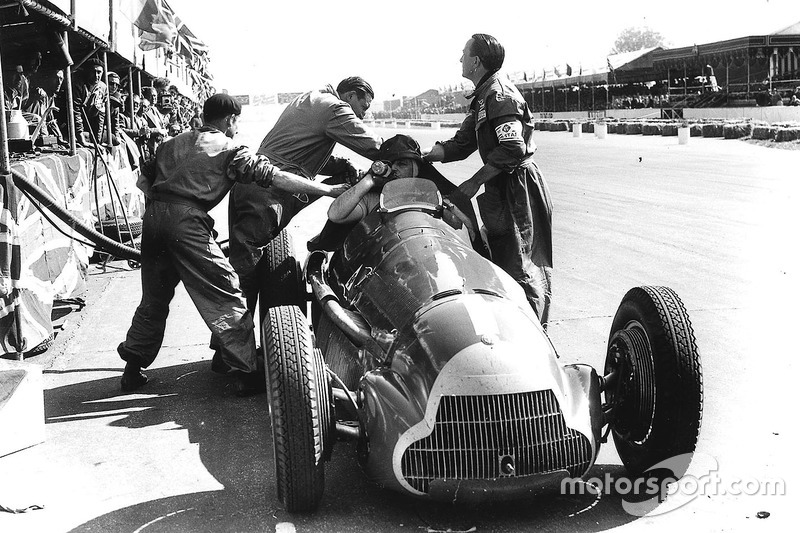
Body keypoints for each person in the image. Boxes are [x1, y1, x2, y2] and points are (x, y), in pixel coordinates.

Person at [116, 93, 349, 396]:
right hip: (187, 222)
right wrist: (327, 190)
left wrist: (165, 211)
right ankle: (244, 372)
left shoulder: (172, 142)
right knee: (227, 293)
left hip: (154, 218)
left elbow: (143, 181)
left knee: (153, 299)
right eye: (237, 122)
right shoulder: (230, 149)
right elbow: (277, 179)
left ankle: (132, 370)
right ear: (230, 120)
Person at [423, 34, 553, 328]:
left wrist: (472, 183)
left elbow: (512, 148)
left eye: (463, 54)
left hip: (516, 186)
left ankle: (535, 334)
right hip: (500, 184)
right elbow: (463, 142)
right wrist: (431, 154)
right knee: (503, 259)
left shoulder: (499, 94)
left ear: (476, 61)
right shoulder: (483, 96)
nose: (460, 59)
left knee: (521, 266)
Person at [226, 76, 383, 319]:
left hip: (253, 185)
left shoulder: (310, 99)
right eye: (364, 107)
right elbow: (374, 146)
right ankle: (231, 353)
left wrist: (343, 165)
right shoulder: (335, 108)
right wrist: (407, 153)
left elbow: (298, 154)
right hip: (269, 192)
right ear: (351, 96)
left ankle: (232, 349)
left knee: (245, 267)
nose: (363, 116)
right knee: (246, 273)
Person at [328, 134, 425, 224]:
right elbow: (335, 215)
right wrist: (369, 180)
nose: (394, 169)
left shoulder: (431, 197)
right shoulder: (373, 200)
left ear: (416, 170)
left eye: (402, 164)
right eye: (390, 164)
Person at [23, 68, 65, 143]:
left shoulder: (51, 97)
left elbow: (51, 120)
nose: (59, 82)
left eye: (61, 79)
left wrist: (60, 137)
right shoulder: (39, 93)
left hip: (40, 135)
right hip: (28, 134)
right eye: (56, 78)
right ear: (48, 79)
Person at [73, 57, 108, 145]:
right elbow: (76, 112)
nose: (96, 75)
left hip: (90, 125)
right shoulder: (78, 85)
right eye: (93, 71)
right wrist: (81, 139)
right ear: (87, 72)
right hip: (73, 125)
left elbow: (101, 115)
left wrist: (97, 142)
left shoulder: (103, 88)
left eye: (99, 72)